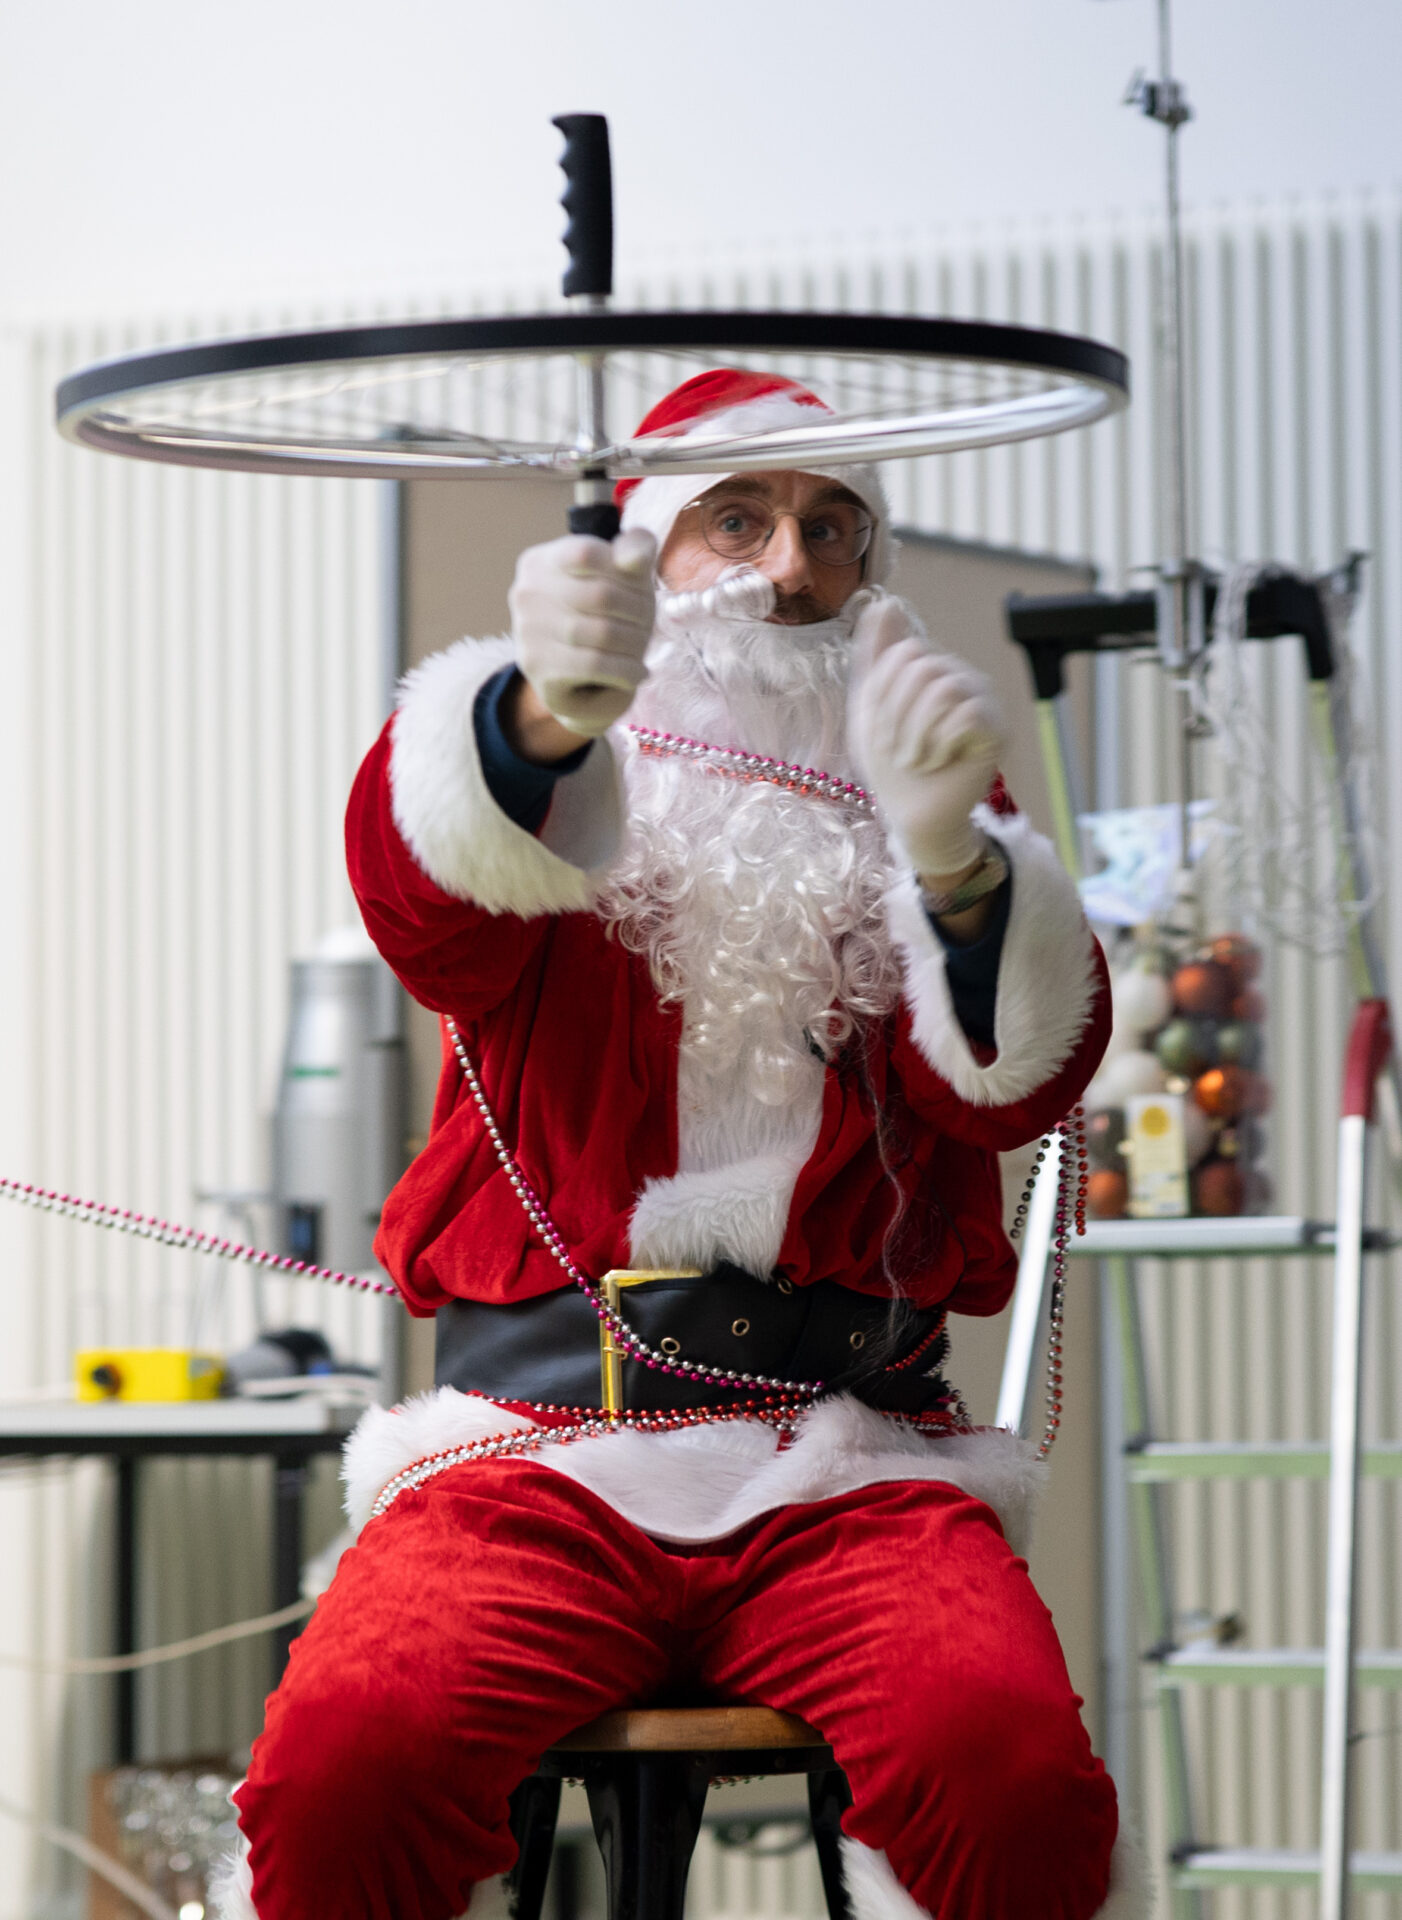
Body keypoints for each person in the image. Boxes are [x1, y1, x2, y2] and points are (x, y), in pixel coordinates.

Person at [216, 371, 1138, 1920]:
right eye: (739, 518)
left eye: (832, 527)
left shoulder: (925, 799)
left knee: (1012, 1781)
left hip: (849, 1458)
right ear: (645, 551)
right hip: (538, 1461)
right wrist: (528, 718)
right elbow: (422, 892)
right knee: (347, 1769)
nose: (790, 566)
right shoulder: (547, 777)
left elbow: (1014, 1089)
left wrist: (960, 872)